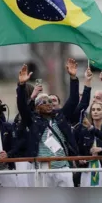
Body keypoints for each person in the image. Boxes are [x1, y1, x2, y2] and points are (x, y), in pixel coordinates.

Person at [16, 59, 79, 187]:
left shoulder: (60, 116)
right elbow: (22, 106)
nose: (49, 104)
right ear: (37, 107)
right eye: (44, 102)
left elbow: (73, 100)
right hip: (43, 168)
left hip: (63, 167)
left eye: (50, 101)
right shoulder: (32, 119)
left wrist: (73, 78)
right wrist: (21, 86)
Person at [75, 102, 102, 187]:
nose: (95, 112)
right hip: (88, 169)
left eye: (98, 109)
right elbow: (79, 151)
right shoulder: (84, 131)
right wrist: (80, 159)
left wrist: (101, 150)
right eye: (93, 110)